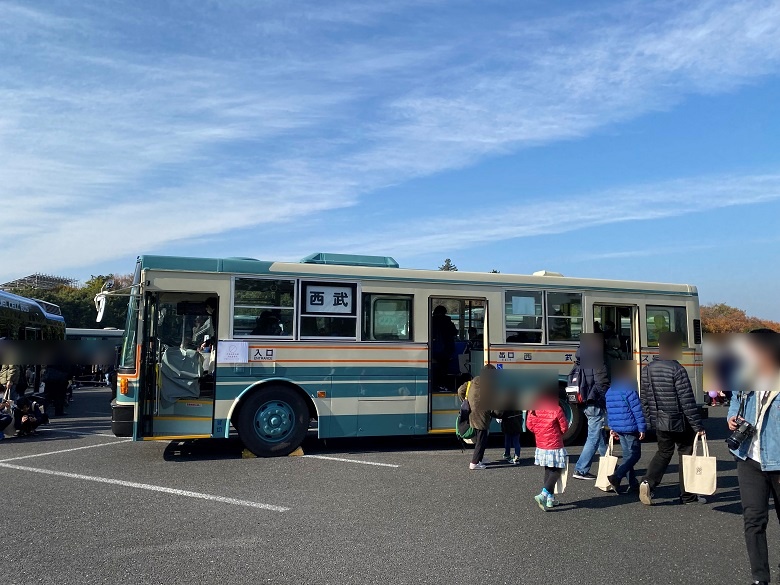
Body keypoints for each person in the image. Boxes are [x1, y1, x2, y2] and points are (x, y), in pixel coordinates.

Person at [725, 329, 780, 585]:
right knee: (754, 519)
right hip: (748, 456)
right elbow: (736, 399)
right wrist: (731, 417)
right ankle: (760, 578)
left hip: (778, 459)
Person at [638, 331, 706, 505]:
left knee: (663, 452)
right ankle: (688, 495)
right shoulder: (677, 369)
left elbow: (644, 398)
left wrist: (649, 420)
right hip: (679, 420)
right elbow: (687, 401)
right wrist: (697, 425)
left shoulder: (647, 370)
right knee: (686, 453)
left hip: (660, 420)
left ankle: (648, 482)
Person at [605, 361, 647, 493]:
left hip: (618, 427)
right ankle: (617, 475)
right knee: (635, 455)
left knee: (627, 455)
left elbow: (610, 411)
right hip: (630, 427)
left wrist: (612, 427)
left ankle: (633, 483)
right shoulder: (629, 390)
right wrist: (642, 428)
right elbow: (637, 411)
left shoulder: (610, 391)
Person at [572, 335, 610, 480]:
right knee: (594, 436)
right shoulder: (596, 359)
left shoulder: (579, 360)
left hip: (583, 401)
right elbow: (602, 383)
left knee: (598, 433)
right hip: (594, 401)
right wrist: (607, 399)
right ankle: (580, 469)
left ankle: (608, 463)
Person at [526, 386, 569, 511]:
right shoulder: (556, 409)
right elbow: (564, 427)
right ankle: (544, 494)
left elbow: (530, 426)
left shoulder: (534, 408)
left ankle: (550, 499)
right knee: (557, 470)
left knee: (548, 469)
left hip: (541, 444)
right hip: (555, 444)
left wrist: (540, 432)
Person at [457, 364, 496, 470]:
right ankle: (474, 462)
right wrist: (498, 414)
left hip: (471, 413)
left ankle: (480, 458)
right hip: (482, 416)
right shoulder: (490, 385)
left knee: (480, 438)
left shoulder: (474, 380)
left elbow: (460, 390)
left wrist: (466, 402)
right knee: (481, 440)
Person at [431, 305, 457, 391]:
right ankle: (442, 385)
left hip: (433, 350)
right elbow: (454, 332)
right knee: (444, 369)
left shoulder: (431, 321)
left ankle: (434, 385)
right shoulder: (448, 321)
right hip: (446, 350)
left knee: (434, 369)